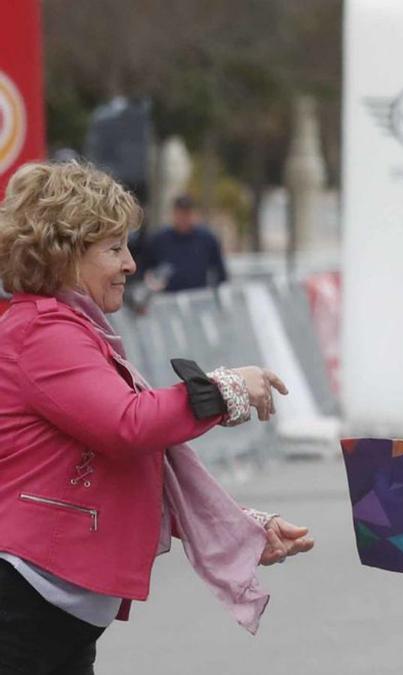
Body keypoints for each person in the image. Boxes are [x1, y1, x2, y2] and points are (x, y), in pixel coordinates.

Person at [0, 161, 315, 674]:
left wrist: (236, 525)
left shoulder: (67, 330)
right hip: (28, 602)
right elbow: (129, 425)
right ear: (64, 255)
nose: (130, 264)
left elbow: (131, 463)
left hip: (48, 606)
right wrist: (224, 389)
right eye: (113, 248)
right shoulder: (44, 332)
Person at [143, 194, 229, 293]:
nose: (183, 218)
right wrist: (152, 282)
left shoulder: (207, 239)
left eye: (187, 213)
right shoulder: (159, 240)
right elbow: (145, 270)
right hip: (167, 300)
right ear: (174, 213)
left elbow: (220, 274)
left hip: (199, 299)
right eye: (180, 213)